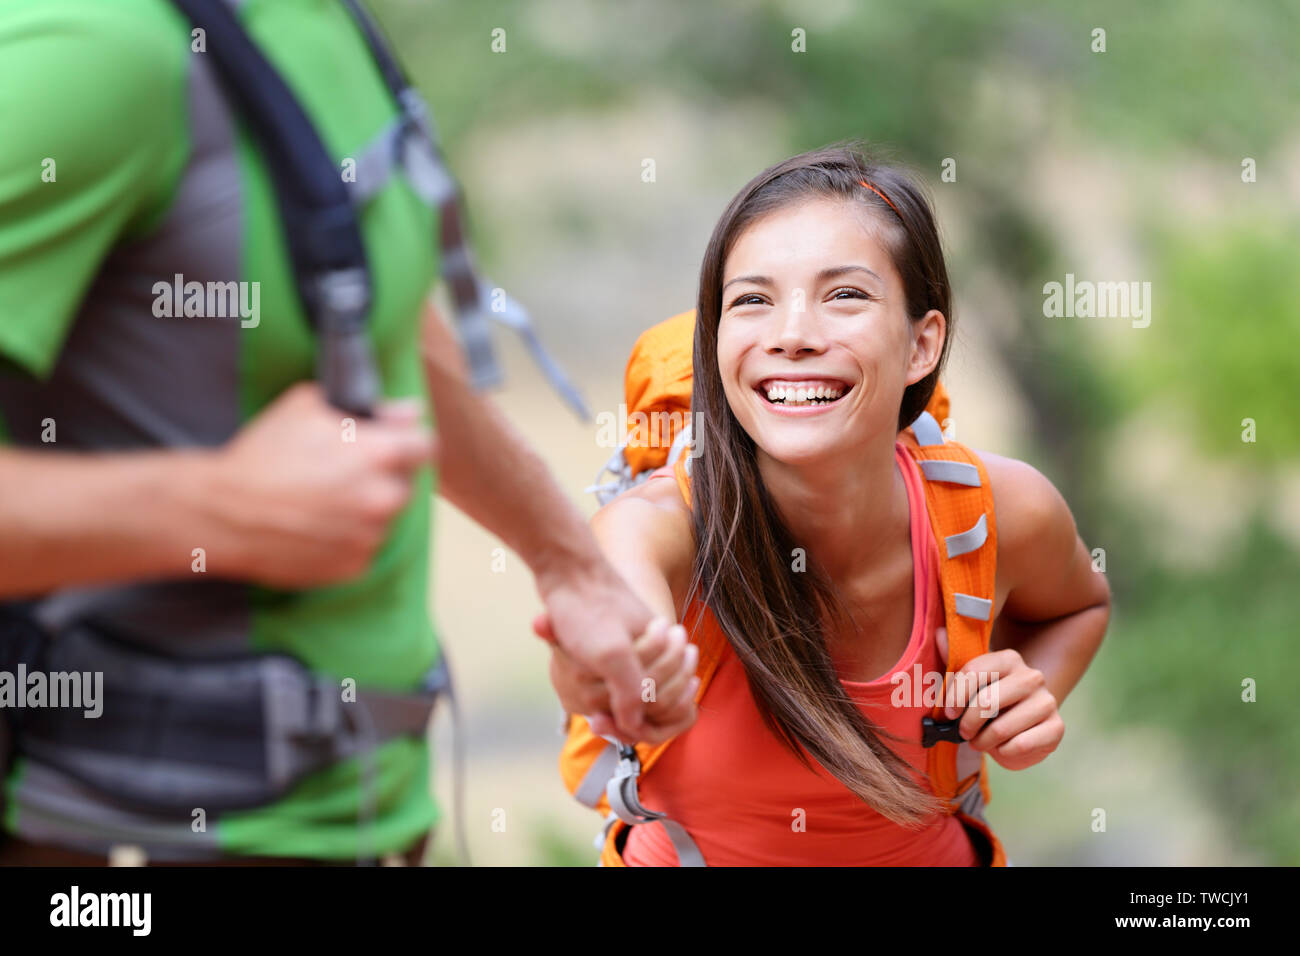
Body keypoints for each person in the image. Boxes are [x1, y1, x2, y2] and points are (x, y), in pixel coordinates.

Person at [0, 0, 694, 865]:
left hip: (356, 812)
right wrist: (216, 509)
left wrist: (569, 567)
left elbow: (374, 321)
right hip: (122, 838)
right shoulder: (86, 51)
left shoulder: (315, 21)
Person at [547, 144, 1112, 866]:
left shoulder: (998, 512)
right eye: (752, 300)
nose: (792, 336)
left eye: (844, 295)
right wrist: (616, 670)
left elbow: (1077, 606)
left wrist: (1023, 702)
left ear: (921, 345)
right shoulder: (652, 530)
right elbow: (613, 629)